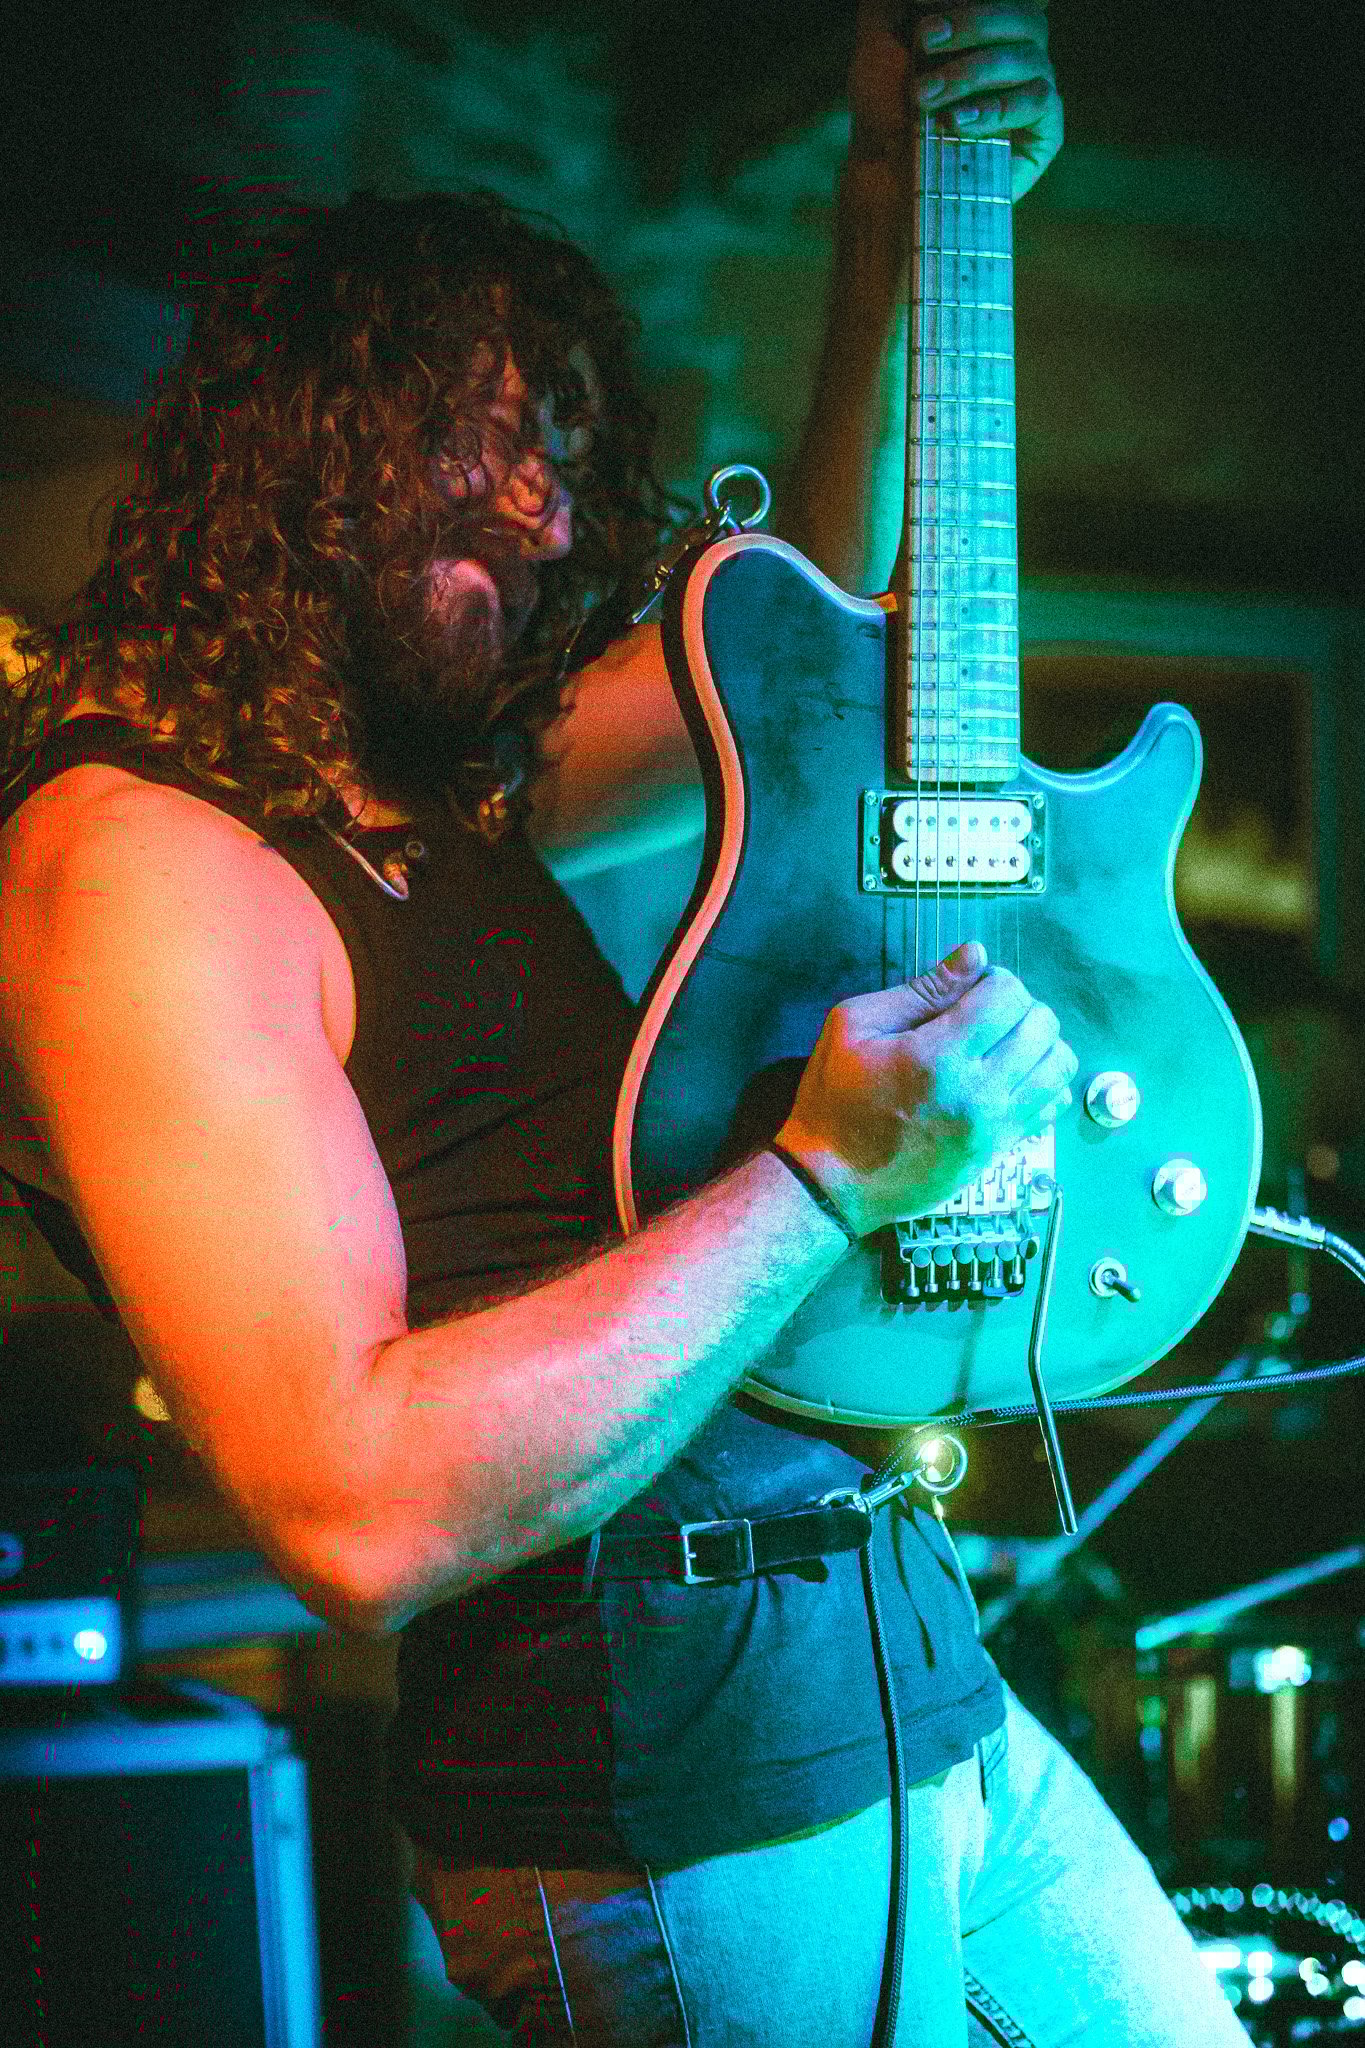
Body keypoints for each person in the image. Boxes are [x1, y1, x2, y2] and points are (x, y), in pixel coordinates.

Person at [0, 5, 1253, 2044]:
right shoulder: (139, 857)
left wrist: (896, 199)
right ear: (310, 458)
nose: (559, 522)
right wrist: (820, 1175)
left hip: (905, 1675)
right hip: (660, 1799)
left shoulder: (443, 786)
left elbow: (797, 631)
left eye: (568, 463)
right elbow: (350, 1504)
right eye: (494, 453)